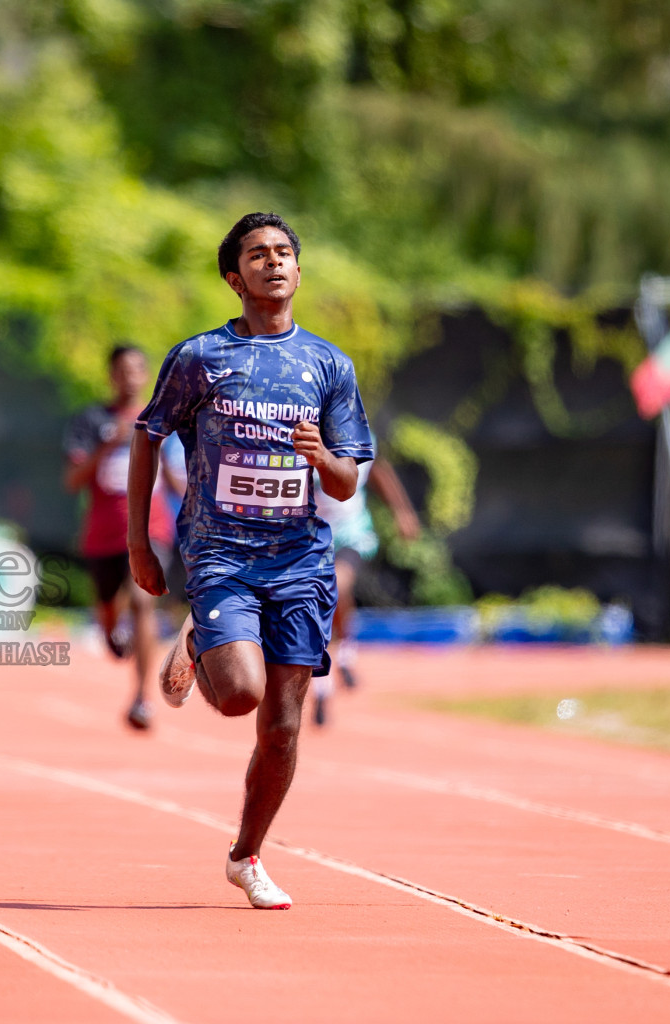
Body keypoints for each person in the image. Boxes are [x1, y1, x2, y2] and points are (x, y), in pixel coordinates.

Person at [128, 212, 373, 909]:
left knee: (285, 726)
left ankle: (247, 855)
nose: (274, 262)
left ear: (299, 270)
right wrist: (139, 543)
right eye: (258, 255)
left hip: (300, 560)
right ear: (235, 278)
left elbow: (347, 480)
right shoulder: (201, 357)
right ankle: (204, 635)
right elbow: (148, 436)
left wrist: (321, 455)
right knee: (240, 695)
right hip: (220, 552)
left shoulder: (330, 367)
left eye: (285, 252)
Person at [63, 345, 186, 731]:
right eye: (121, 370)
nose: (129, 376)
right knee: (110, 624)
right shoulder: (90, 420)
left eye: (136, 369)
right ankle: (112, 631)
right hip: (104, 533)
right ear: (111, 375)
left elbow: (175, 480)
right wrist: (110, 443)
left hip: (153, 529)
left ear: (146, 374)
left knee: (142, 602)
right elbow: (73, 481)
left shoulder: (164, 420)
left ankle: (142, 697)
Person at [309, 452, 419, 725]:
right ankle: (322, 685)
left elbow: (380, 469)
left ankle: (345, 651)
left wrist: (402, 511)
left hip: (352, 534)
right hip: (310, 537)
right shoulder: (300, 432)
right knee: (321, 600)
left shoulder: (358, 434)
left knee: (334, 588)